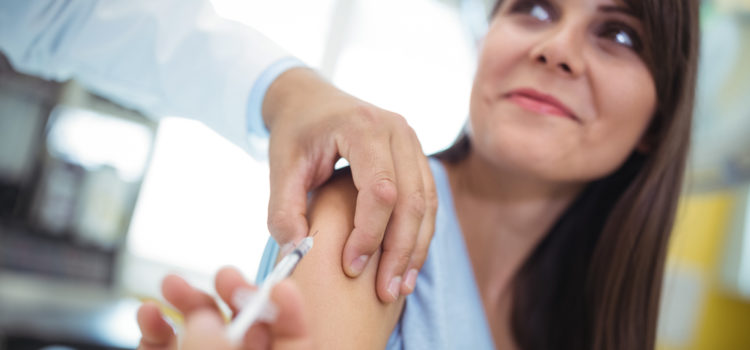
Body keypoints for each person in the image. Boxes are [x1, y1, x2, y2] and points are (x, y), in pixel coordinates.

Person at [140, 0, 700, 348]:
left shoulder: (588, 320)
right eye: (534, 7)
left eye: (619, 34)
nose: (557, 49)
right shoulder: (373, 209)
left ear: (659, 119)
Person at [0, 0, 437, 302]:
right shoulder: (361, 198)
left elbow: (61, 14)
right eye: (509, 10)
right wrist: (289, 93)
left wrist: (286, 92)